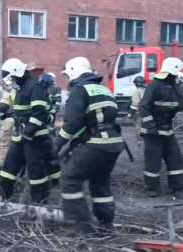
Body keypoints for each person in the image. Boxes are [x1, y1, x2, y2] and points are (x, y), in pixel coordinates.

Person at [55, 57, 124, 233]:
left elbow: (72, 123)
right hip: (113, 144)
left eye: (68, 75)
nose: (68, 80)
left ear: (73, 72)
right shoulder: (104, 89)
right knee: (100, 182)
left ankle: (80, 226)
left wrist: (57, 145)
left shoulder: (79, 90)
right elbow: (98, 119)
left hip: (97, 144)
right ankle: (106, 224)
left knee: (70, 179)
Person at [0, 58, 57, 203]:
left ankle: (40, 200)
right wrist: (6, 110)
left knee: (36, 170)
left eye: (13, 76)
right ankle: (2, 195)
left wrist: (29, 131)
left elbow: (39, 112)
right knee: (9, 166)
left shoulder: (35, 86)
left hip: (35, 137)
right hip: (20, 136)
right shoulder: (19, 88)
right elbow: (17, 107)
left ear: (18, 73)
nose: (12, 80)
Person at [139, 57, 183, 198]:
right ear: (172, 71)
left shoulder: (174, 87)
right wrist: (150, 126)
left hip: (167, 130)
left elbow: (182, 105)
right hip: (152, 132)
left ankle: (177, 187)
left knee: (175, 158)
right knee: (153, 161)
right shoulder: (155, 85)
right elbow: (144, 107)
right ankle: (151, 189)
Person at [0, 77, 15, 167]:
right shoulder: (24, 91)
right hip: (20, 122)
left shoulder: (9, 94)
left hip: (9, 121)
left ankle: (2, 164)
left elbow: (1, 108)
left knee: (5, 143)